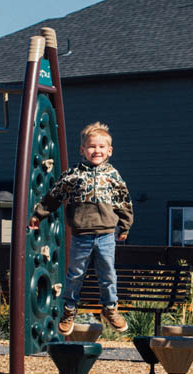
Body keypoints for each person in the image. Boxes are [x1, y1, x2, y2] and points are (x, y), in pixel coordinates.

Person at [29, 122, 133, 335]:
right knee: (76, 273)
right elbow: (55, 195)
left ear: (109, 151)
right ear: (82, 150)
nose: (97, 151)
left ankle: (110, 308)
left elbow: (124, 201)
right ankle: (69, 309)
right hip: (81, 235)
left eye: (101, 147)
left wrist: (125, 225)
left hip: (106, 234)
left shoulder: (113, 175)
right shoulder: (74, 175)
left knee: (108, 273)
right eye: (92, 146)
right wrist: (39, 214)